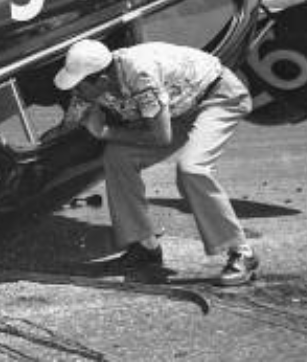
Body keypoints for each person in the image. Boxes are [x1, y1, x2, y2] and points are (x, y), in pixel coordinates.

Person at [53, 39, 260, 286]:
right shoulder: (95, 80)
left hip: (219, 96)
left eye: (80, 85)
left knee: (192, 168)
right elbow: (69, 125)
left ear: (101, 81)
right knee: (118, 157)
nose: (75, 92)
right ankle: (145, 247)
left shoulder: (140, 76)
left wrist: (105, 132)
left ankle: (242, 253)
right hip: (180, 106)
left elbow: (161, 137)